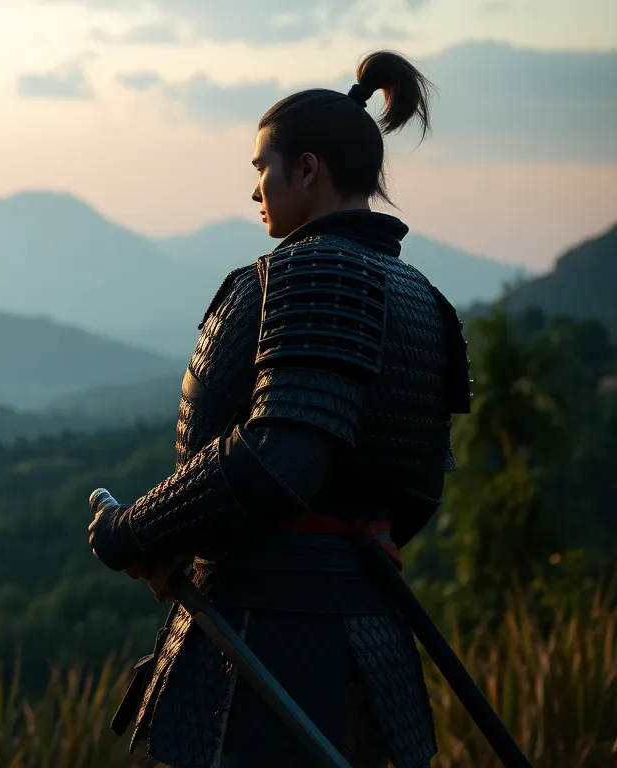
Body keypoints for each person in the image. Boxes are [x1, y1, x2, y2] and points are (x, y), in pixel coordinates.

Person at [86, 50, 472, 768]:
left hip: (274, 639)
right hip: (364, 625)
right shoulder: (421, 296)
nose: (255, 190)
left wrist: (131, 530)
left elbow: (280, 459)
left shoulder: (319, 269)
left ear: (308, 168)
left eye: (263, 167)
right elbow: (414, 494)